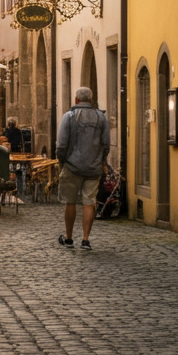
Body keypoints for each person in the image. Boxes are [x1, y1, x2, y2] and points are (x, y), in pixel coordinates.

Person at [55, 86, 110, 251]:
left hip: (72, 166)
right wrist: (101, 160)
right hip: (93, 168)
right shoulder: (101, 117)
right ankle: (85, 240)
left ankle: (69, 237)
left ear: (76, 100)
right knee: (89, 202)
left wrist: (62, 161)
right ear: (91, 99)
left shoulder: (69, 116)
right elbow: (106, 143)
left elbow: (61, 144)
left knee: (70, 202)